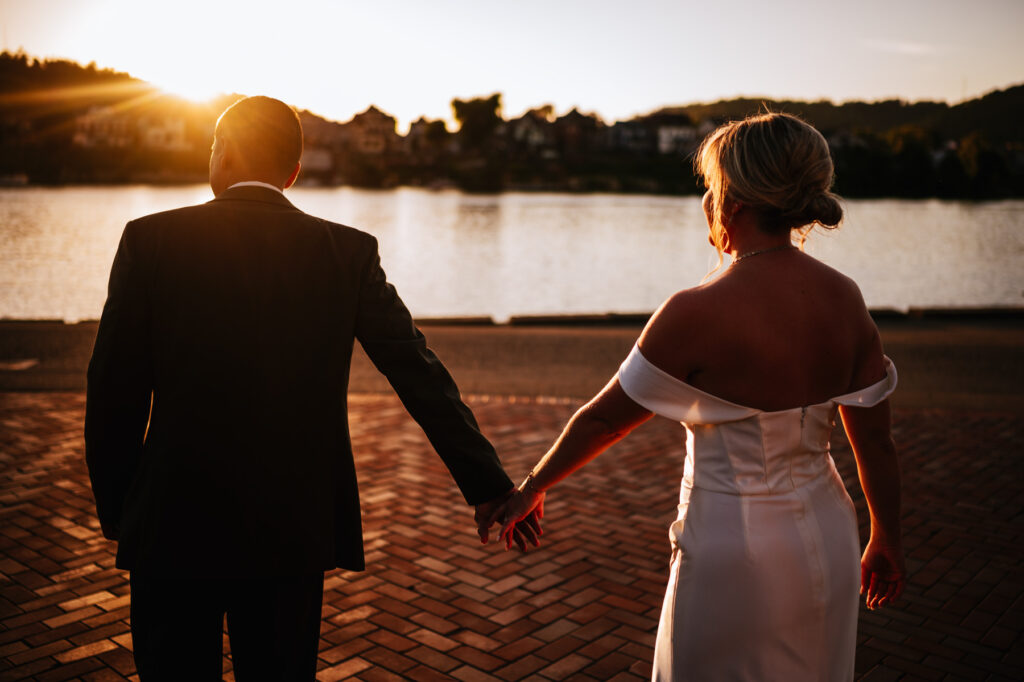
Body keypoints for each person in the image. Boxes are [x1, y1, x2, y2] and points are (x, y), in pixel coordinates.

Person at [85, 95, 537, 680]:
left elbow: (112, 387)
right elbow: (417, 371)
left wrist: (119, 505)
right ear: (293, 173)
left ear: (218, 157)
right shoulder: (346, 252)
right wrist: (488, 485)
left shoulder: (150, 241)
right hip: (290, 523)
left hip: (173, 518)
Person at [491, 112, 905, 680]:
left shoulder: (694, 311)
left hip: (731, 549)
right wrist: (885, 536)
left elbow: (603, 423)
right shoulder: (845, 298)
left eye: (710, 189)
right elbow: (875, 444)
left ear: (731, 204)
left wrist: (531, 487)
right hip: (829, 535)